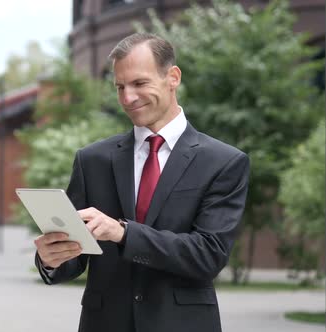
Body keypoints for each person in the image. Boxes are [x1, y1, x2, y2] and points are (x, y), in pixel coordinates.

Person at [34, 33, 250, 332]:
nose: (127, 98)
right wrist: (50, 259)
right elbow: (74, 257)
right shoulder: (92, 160)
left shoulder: (224, 162)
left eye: (139, 83)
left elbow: (208, 255)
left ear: (172, 77)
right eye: (120, 87)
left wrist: (122, 233)